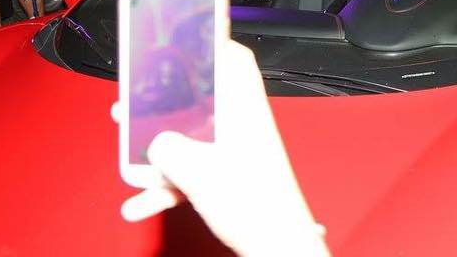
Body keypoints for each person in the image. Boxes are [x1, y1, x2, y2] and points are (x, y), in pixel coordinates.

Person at [117, 39, 332, 256]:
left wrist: (286, 237)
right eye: (157, 76)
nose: (163, 81)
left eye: (171, 75)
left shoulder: (206, 122)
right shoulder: (154, 115)